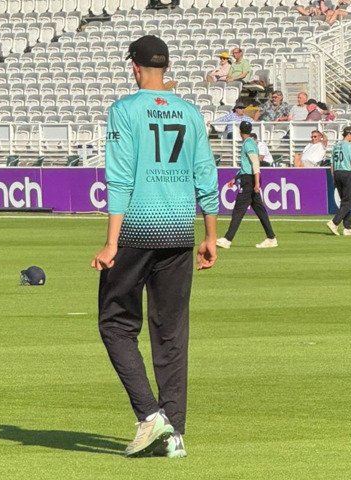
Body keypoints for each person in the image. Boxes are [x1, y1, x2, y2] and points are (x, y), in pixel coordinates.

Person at [91, 35, 219, 460]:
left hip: (136, 231)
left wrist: (111, 242)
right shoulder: (190, 111)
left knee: (115, 324)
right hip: (180, 231)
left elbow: (120, 176)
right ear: (164, 67)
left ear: (134, 67)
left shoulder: (124, 110)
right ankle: (175, 434)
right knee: (171, 335)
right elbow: (206, 173)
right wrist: (210, 234)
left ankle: (150, 415)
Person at [216, 121, 278, 249]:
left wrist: (256, 183)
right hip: (248, 178)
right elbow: (248, 166)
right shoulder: (250, 142)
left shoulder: (248, 144)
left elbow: (255, 164)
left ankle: (227, 239)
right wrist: (236, 178)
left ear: (240, 131)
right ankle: (271, 238)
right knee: (260, 211)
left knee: (238, 210)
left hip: (249, 181)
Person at [327, 126, 351, 236]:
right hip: (346, 173)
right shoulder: (349, 146)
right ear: (349, 134)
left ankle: (347, 227)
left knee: (344, 202)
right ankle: (334, 222)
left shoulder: (336, 146)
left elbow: (332, 164)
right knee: (348, 201)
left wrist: (333, 177)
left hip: (337, 173)